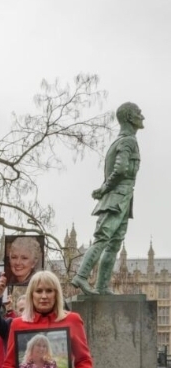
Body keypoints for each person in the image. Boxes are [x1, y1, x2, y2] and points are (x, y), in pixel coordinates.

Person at [72, 102, 144, 296]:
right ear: (129, 117)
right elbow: (120, 169)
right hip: (117, 198)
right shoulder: (128, 141)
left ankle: (102, 286)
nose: (142, 116)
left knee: (114, 243)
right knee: (103, 238)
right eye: (138, 113)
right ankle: (81, 275)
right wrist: (104, 188)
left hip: (124, 198)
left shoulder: (124, 141)